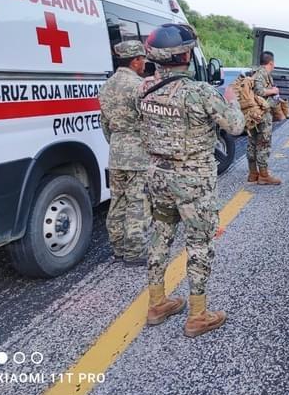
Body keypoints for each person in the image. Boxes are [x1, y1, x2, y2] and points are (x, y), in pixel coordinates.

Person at [139, 23, 244, 338]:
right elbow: (236, 126)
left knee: (161, 236)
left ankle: (157, 303)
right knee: (199, 244)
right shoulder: (201, 92)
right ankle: (198, 314)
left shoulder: (142, 88)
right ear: (185, 54)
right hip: (193, 180)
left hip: (157, 175)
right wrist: (232, 97)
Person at [98, 40, 150, 266]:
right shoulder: (139, 86)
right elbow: (149, 120)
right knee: (137, 202)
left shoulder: (106, 85)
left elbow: (104, 123)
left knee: (117, 201)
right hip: (138, 151)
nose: (144, 63)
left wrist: (116, 141)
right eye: (142, 59)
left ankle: (118, 248)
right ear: (135, 60)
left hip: (116, 151)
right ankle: (135, 252)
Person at [247, 51, 282, 185]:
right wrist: (274, 91)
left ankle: (252, 173)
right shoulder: (262, 74)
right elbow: (259, 91)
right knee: (263, 143)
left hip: (252, 114)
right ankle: (263, 175)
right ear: (271, 63)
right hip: (262, 113)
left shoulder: (253, 72)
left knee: (252, 142)